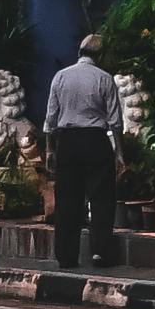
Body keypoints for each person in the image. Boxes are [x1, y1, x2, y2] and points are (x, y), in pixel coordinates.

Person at [39, 39, 126, 272]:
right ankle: (100, 251)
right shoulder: (104, 78)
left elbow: (51, 118)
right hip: (96, 140)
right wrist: (119, 152)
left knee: (67, 199)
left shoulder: (61, 77)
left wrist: (50, 149)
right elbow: (115, 121)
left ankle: (66, 256)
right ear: (100, 55)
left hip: (67, 141)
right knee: (101, 198)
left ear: (79, 52)